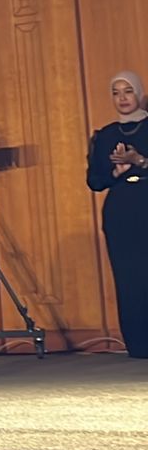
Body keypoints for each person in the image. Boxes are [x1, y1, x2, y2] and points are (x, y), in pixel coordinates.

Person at [86, 71, 148, 358]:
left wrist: (139, 160)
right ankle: (139, 344)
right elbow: (94, 181)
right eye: (116, 92)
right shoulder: (105, 135)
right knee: (128, 278)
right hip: (121, 210)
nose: (122, 98)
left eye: (128, 91)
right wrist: (116, 172)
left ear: (138, 94)